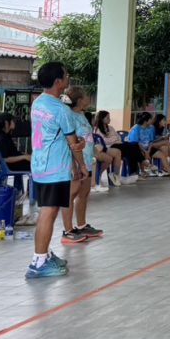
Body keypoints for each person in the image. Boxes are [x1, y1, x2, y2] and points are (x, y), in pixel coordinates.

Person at [26, 62, 84, 279]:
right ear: (59, 81)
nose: (68, 78)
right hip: (55, 168)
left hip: (40, 165)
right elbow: (74, 144)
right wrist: (82, 165)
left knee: (48, 211)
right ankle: (39, 261)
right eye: (66, 75)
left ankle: (45, 254)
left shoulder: (38, 102)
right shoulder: (61, 109)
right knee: (48, 213)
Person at [61, 88, 102, 242]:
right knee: (71, 195)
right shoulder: (69, 116)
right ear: (79, 100)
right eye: (86, 96)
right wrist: (75, 166)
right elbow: (70, 142)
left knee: (84, 193)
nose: (88, 98)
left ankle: (81, 225)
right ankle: (68, 231)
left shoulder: (82, 114)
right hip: (76, 161)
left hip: (87, 160)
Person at [97, 112, 140, 182]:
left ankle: (132, 173)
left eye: (109, 117)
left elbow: (118, 137)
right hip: (109, 147)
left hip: (118, 145)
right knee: (131, 148)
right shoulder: (97, 129)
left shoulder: (110, 128)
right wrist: (114, 139)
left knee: (134, 145)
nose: (109, 119)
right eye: (107, 117)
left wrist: (112, 139)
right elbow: (103, 141)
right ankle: (136, 169)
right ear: (101, 119)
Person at [125, 112, 161, 177]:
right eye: (150, 119)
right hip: (135, 147)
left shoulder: (150, 127)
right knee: (139, 152)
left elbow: (150, 141)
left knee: (160, 147)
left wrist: (148, 151)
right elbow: (135, 143)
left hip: (145, 147)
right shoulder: (136, 128)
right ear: (145, 121)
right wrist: (145, 151)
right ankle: (144, 169)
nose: (152, 120)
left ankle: (147, 169)